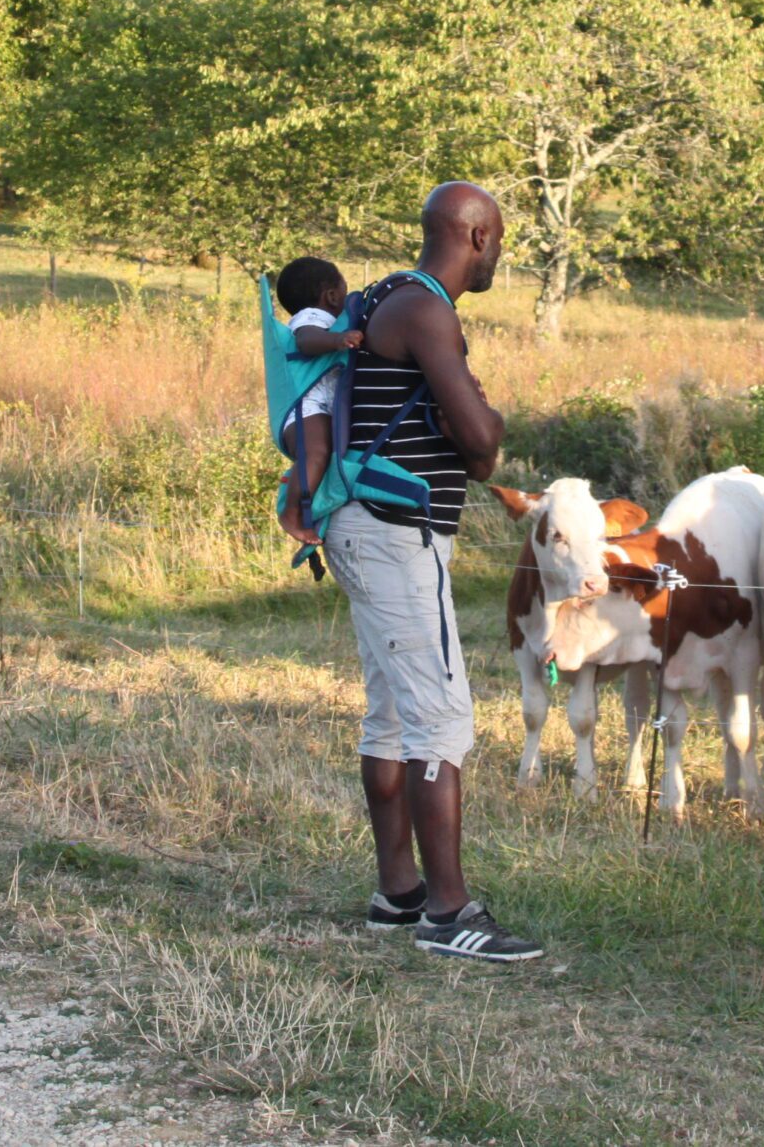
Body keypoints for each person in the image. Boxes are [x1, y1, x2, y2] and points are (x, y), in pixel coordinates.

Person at [323, 182, 538, 962]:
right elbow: (482, 445)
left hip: (365, 528)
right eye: (500, 241)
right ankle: (449, 913)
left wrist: (472, 433)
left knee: (393, 713)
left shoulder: (387, 296)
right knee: (442, 720)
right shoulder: (426, 310)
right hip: (394, 535)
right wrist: (486, 429)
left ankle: (398, 890)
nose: (499, 255)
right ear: (477, 237)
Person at [271, 256, 363, 547]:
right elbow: (306, 341)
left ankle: (308, 502)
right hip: (306, 408)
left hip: (318, 408)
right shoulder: (312, 318)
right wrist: (339, 340)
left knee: (323, 455)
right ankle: (291, 513)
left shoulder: (329, 322)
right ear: (331, 295)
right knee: (317, 451)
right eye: (344, 290)